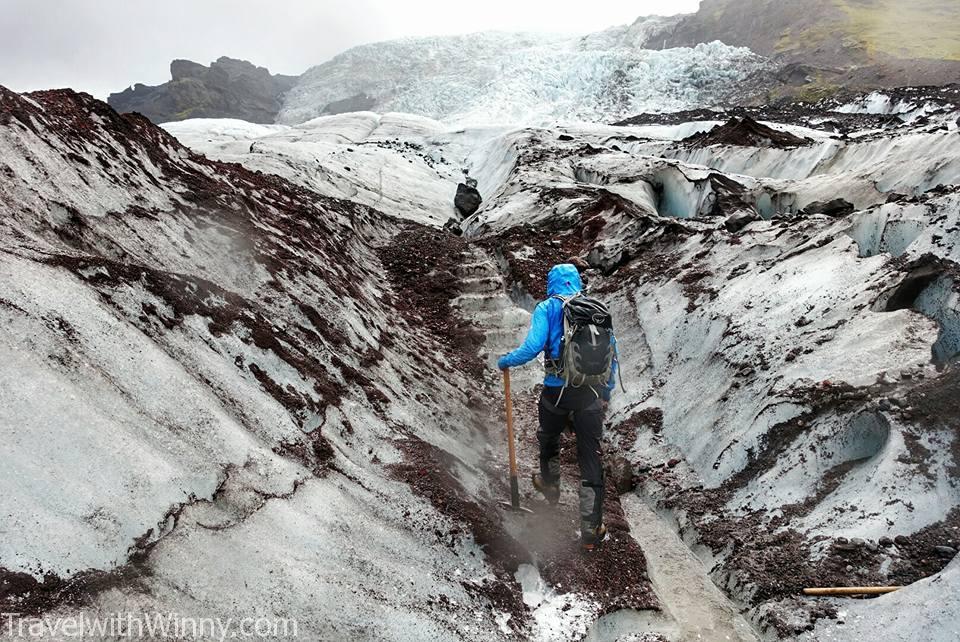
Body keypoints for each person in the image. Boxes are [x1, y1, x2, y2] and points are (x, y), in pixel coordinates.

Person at [497, 263, 619, 551]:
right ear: (577, 282)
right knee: (590, 457)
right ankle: (590, 529)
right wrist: (606, 393)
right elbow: (613, 354)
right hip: (589, 395)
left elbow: (532, 347)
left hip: (556, 393)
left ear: (552, 283)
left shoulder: (547, 308)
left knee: (549, 437)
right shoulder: (595, 310)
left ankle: (551, 487)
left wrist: (506, 361)